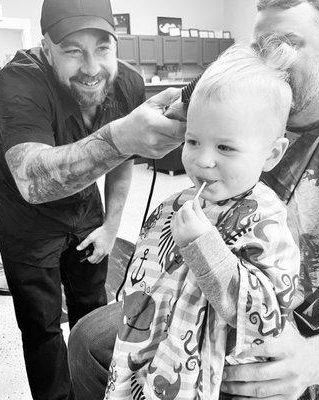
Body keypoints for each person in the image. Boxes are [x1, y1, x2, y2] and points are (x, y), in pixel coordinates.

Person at [68, 1, 319, 399]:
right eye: (261, 46)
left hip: (288, 339)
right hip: (195, 311)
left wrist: (313, 361)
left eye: (288, 45)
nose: (272, 61)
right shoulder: (217, 121)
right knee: (87, 340)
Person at [0, 0, 185, 398]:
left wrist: (111, 226)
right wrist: (120, 137)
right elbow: (31, 179)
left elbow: (121, 161)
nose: (92, 67)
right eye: (74, 50)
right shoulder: (18, 80)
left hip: (84, 209)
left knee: (91, 313)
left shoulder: (125, 81)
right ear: (47, 47)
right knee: (41, 325)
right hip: (23, 218)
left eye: (102, 48)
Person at [105, 44, 300, 400]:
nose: (202, 160)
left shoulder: (267, 219)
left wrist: (202, 247)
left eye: (225, 148)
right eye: (193, 141)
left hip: (214, 380)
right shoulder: (173, 204)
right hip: (151, 357)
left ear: (272, 154)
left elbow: (266, 315)